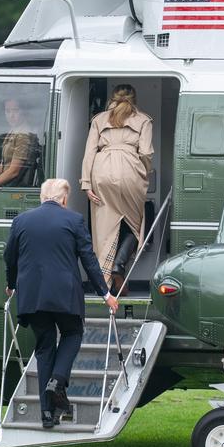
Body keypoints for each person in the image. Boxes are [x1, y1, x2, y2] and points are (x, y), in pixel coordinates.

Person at [4, 179, 119, 429]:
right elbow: (88, 259)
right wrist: (105, 294)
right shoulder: (74, 220)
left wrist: (11, 284)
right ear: (64, 199)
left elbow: (10, 257)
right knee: (72, 333)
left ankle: (47, 414)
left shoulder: (21, 221)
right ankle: (57, 380)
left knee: (45, 348)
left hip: (33, 296)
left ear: (42, 197)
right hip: (65, 294)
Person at [80, 84, 154, 295]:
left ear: (112, 98)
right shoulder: (144, 120)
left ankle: (104, 280)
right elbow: (146, 153)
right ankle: (118, 265)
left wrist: (86, 183)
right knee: (135, 224)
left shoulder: (98, 119)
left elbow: (89, 153)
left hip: (101, 171)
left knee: (104, 228)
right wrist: (143, 172)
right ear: (134, 98)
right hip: (131, 170)